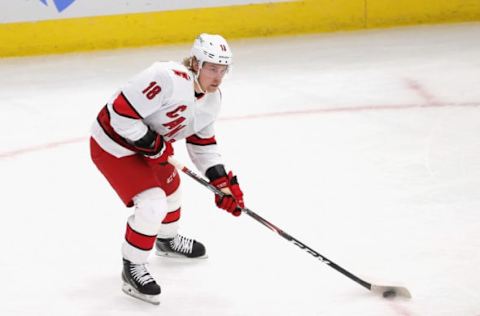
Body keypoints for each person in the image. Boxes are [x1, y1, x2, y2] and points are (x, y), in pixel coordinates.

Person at [89, 33, 245, 305]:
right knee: (153, 205)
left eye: (223, 69)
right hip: (113, 145)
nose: (217, 77)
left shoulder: (212, 98)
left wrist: (220, 181)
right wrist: (153, 144)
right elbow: (120, 115)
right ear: (196, 63)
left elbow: (202, 143)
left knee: (172, 191)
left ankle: (166, 240)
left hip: (150, 147)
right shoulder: (165, 78)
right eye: (211, 68)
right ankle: (132, 266)